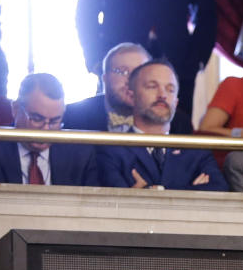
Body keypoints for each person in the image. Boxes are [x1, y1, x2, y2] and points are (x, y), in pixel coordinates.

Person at [75, 0, 216, 134]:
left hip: (178, 59)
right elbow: (86, 11)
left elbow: (207, 10)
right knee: (113, 122)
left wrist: (197, 60)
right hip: (120, 55)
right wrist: (95, 58)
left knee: (178, 131)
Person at [97, 61, 227, 191]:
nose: (162, 95)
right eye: (152, 86)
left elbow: (219, 190)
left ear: (176, 102)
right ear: (132, 96)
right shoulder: (111, 149)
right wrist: (190, 190)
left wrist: (153, 191)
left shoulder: (197, 152)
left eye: (170, 90)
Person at [0, 73, 98, 186]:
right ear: (15, 109)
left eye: (55, 121)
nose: (46, 129)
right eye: (37, 119)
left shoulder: (81, 154)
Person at [62, 42, 155, 133]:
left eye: (138, 73)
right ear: (105, 78)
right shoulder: (70, 117)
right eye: (122, 72)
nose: (131, 80)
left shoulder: (164, 116)